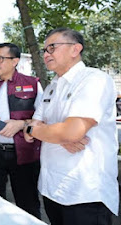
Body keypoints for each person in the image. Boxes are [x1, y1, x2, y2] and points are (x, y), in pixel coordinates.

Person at [24, 28, 119, 225]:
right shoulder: (52, 86)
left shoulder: (94, 79)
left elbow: (71, 132)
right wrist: (54, 133)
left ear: (75, 49)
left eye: (52, 47)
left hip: (85, 192)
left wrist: (50, 132)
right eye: (44, 50)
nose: (46, 54)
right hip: (52, 188)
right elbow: (32, 126)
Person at [0, 43, 43, 219]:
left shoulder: (32, 84)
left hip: (24, 154)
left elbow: (43, 118)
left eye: (0, 59)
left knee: (27, 202)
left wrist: (20, 124)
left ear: (15, 61)